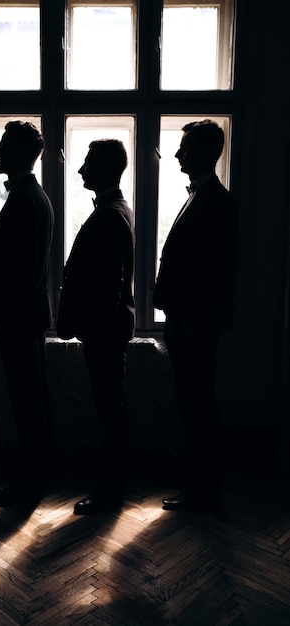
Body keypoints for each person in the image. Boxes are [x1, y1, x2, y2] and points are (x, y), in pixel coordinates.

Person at [153, 119, 238, 511]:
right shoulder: (202, 197)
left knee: (199, 405)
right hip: (187, 323)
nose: (176, 154)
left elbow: (215, 274)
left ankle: (204, 488)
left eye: (184, 147)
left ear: (206, 152)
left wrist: (188, 323)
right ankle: (196, 478)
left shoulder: (218, 202)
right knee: (192, 403)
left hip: (195, 326)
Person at [0, 120, 55, 507]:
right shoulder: (34, 197)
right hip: (27, 317)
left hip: (17, 319)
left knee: (26, 402)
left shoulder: (23, 201)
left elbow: (12, 271)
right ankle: (34, 476)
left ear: (20, 153)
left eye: (3, 145)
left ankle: (29, 483)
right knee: (30, 399)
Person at [56, 139, 135, 515]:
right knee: (110, 408)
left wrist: (93, 328)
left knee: (110, 410)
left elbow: (109, 284)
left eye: (86, 162)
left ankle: (110, 491)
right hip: (108, 330)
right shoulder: (118, 209)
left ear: (104, 168)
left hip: (104, 333)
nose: (80, 169)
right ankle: (111, 484)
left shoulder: (108, 215)